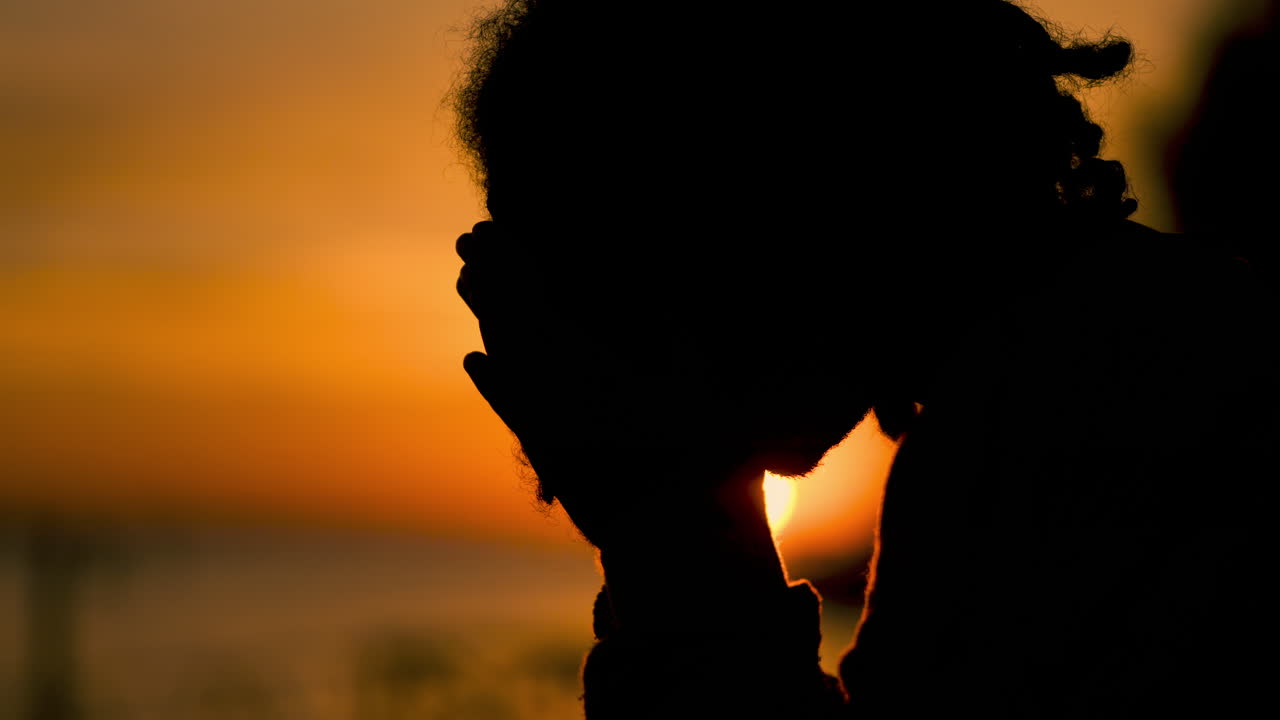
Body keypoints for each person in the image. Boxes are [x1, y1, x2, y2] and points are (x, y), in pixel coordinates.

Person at [451, 1, 1278, 717]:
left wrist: (666, 534)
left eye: (591, 265)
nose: (583, 336)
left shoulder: (1109, 391)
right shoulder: (1073, 360)